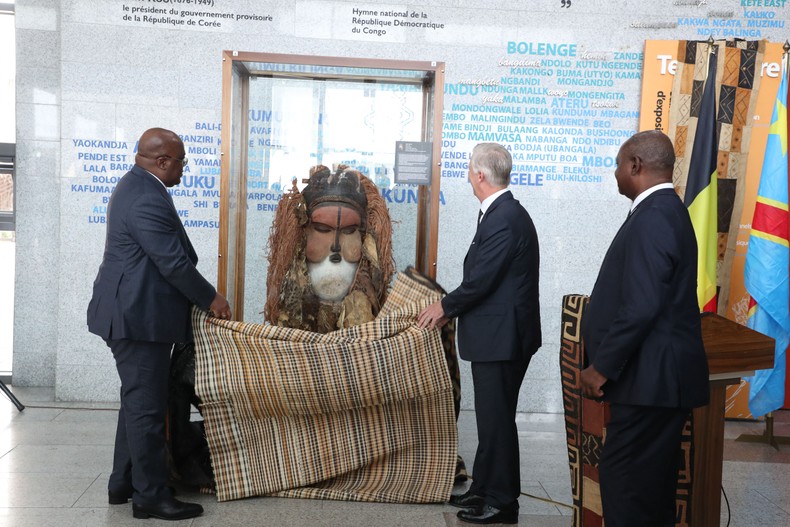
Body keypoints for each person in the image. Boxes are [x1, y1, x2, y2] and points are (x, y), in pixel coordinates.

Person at [87, 127, 231, 521]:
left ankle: (123, 482)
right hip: (137, 319)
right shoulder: (145, 196)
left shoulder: (139, 186)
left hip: (135, 314)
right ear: (162, 161)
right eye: (181, 161)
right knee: (148, 409)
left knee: (137, 402)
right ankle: (150, 496)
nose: (185, 168)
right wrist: (211, 298)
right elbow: (173, 262)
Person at [580, 130, 710, 526]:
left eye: (618, 164)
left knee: (626, 490)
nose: (615, 172)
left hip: (650, 383)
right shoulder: (664, 210)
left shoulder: (654, 216)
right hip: (655, 382)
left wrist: (602, 367)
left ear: (635, 165)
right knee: (648, 493)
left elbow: (642, 305)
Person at [418, 142, 541, 525]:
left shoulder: (505, 217)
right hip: (496, 336)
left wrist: (444, 307)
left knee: (497, 420)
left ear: (481, 175)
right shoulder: (500, 212)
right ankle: (484, 489)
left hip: (503, 339)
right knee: (490, 418)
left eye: (470, 169)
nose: (468, 175)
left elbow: (482, 280)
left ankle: (502, 502)